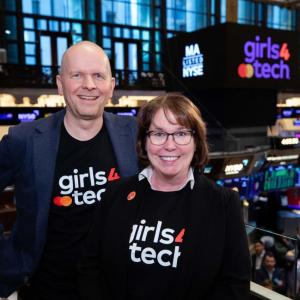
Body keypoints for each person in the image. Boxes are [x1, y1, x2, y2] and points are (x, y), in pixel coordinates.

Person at [0, 41, 138, 299]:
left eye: (98, 75)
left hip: (117, 287)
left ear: (111, 86)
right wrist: (7, 259)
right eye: (77, 75)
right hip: (46, 289)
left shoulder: (132, 132)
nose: (89, 84)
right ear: (60, 84)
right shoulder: (24, 140)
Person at [78, 94, 251, 300]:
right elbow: (89, 267)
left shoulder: (223, 203)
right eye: (158, 134)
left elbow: (235, 285)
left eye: (181, 133)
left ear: (196, 141)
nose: (170, 145)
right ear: (144, 141)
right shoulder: (115, 194)